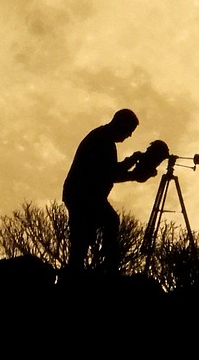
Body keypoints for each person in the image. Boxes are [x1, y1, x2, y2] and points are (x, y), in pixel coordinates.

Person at [61, 108, 156, 275]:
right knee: (105, 224)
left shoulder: (102, 138)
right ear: (121, 125)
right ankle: (107, 267)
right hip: (83, 196)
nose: (129, 136)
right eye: (129, 131)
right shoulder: (102, 141)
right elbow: (109, 174)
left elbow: (109, 171)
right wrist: (134, 175)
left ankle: (88, 269)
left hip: (83, 195)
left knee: (83, 239)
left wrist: (131, 162)